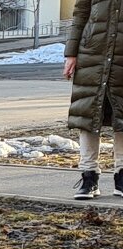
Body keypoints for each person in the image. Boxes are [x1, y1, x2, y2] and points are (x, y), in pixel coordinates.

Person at [64, 0, 123, 199]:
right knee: (87, 112)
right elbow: (80, 13)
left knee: (121, 117)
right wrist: (71, 53)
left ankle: (122, 176)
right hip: (92, 53)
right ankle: (89, 176)